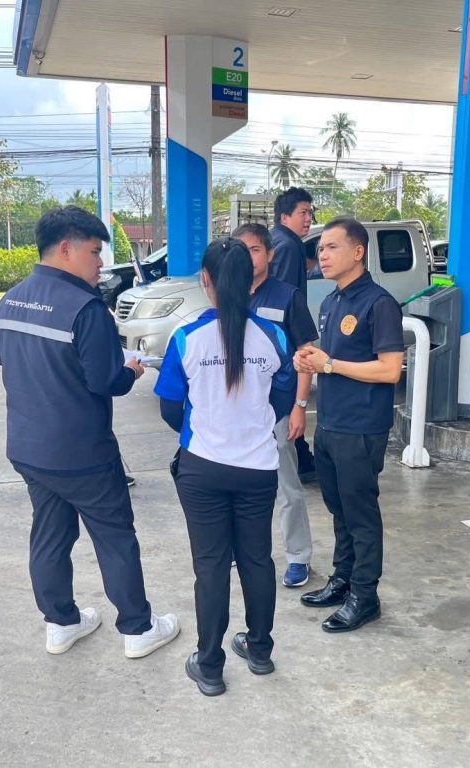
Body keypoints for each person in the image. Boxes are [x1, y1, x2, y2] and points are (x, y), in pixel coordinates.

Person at [0, 205, 179, 658]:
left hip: (28, 447)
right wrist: (131, 369)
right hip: (82, 453)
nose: (100, 263)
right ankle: (137, 628)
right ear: (65, 249)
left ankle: (60, 622)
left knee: (50, 534)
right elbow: (105, 381)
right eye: (94, 252)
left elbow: (7, 361)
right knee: (115, 537)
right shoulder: (86, 308)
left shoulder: (11, 300)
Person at [155, 237, 296, 697]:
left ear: (206, 281)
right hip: (258, 469)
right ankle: (260, 650)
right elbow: (281, 400)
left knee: (211, 565)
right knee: (257, 558)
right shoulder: (274, 337)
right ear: (250, 282)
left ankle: (210, 665)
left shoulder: (186, 338)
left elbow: (170, 408)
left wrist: (207, 428)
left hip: (203, 469)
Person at [294, 217, 404, 633]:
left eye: (331, 247)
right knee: (338, 507)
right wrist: (311, 360)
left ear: (358, 252)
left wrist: (330, 365)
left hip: (361, 426)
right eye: (320, 249)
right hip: (331, 422)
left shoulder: (379, 303)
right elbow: (333, 357)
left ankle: (365, 595)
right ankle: (342, 579)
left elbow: (390, 369)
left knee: (360, 513)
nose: (322, 255)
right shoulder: (331, 302)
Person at [233, 223, 317, 588]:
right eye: (242, 250)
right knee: (239, 485)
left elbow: (306, 353)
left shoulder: (287, 297)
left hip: (278, 407)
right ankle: (240, 548)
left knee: (286, 486)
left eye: (255, 249)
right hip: (237, 409)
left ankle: (298, 556)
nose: (249, 257)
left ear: (270, 254)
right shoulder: (228, 294)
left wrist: (299, 405)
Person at [269, 187, 318, 482]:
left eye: (310, 213)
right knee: (288, 403)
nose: (309, 218)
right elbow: (284, 297)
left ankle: (304, 459)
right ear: (285, 216)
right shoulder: (288, 245)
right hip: (284, 341)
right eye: (303, 212)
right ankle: (302, 462)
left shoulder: (276, 239)